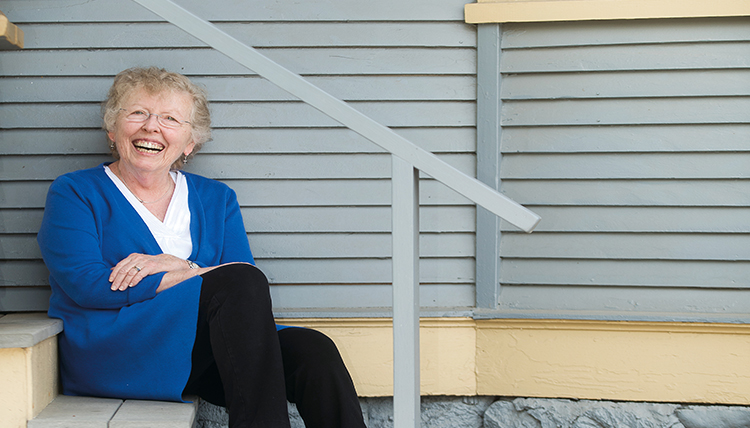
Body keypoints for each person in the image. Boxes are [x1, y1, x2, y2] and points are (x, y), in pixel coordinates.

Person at [37, 66, 367, 428]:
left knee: (313, 351)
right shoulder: (75, 192)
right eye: (137, 113)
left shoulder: (215, 198)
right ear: (113, 129)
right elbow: (87, 283)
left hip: (204, 352)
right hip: (120, 353)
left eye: (170, 119)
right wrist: (187, 276)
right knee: (237, 283)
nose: (151, 127)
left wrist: (180, 267)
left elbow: (245, 282)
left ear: (190, 142)